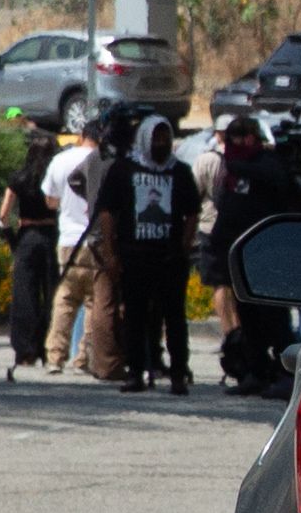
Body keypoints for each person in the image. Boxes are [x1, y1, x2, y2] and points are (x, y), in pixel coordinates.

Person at [109, 111, 195, 391]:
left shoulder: (180, 172)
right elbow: (108, 211)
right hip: (134, 256)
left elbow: (192, 213)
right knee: (135, 316)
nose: (161, 143)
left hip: (170, 259)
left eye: (165, 137)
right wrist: (111, 252)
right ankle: (135, 372)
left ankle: (178, 373)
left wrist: (183, 245)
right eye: (156, 137)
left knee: (174, 318)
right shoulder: (124, 169)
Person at [209, 113, 291, 393]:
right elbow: (228, 211)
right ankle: (255, 372)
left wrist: (239, 165)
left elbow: (277, 180)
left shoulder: (265, 163)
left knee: (275, 318)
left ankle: (284, 373)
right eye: (235, 136)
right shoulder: (231, 173)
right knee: (249, 317)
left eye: (245, 136)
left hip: (270, 254)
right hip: (239, 255)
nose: (240, 142)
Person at [43, 99, 114, 379]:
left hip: (69, 239)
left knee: (64, 299)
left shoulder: (60, 160)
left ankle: (54, 357)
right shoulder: (104, 163)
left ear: (82, 136)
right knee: (94, 302)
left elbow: (50, 200)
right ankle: (83, 357)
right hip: (96, 240)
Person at [0, 116, 62, 372]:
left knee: (25, 293)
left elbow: (3, 213)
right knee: (52, 293)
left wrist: (9, 234)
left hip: (26, 235)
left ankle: (25, 349)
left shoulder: (19, 177)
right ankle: (49, 347)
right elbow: (56, 204)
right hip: (50, 234)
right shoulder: (53, 179)